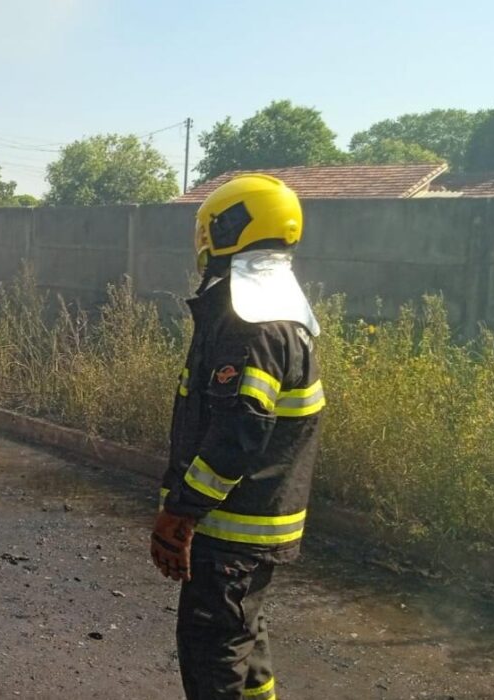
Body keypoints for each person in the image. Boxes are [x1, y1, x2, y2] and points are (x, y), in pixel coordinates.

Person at [151, 173, 325, 700]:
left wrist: (181, 513)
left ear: (228, 231)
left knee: (214, 657)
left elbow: (238, 432)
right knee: (246, 646)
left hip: (232, 530)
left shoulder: (252, 324)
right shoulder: (278, 313)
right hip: (254, 522)